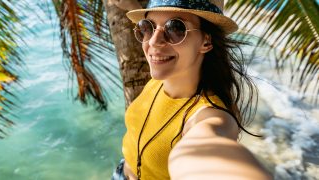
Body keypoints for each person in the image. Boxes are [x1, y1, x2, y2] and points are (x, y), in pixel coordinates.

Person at [111, 0, 273, 179]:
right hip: (121, 171)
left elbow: (207, 151)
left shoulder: (208, 117)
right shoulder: (165, 75)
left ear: (206, 40)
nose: (154, 42)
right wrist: (132, 7)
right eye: (147, 27)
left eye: (175, 28)